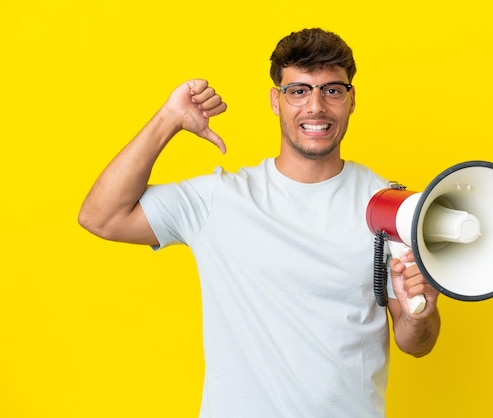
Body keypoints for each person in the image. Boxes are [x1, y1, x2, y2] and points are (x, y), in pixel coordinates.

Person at [78, 27, 441, 418]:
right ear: (275, 101)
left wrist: (420, 315)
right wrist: (169, 119)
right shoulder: (220, 200)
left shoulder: (388, 206)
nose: (315, 106)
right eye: (298, 91)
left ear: (351, 100)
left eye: (332, 90)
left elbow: (415, 342)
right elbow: (100, 217)